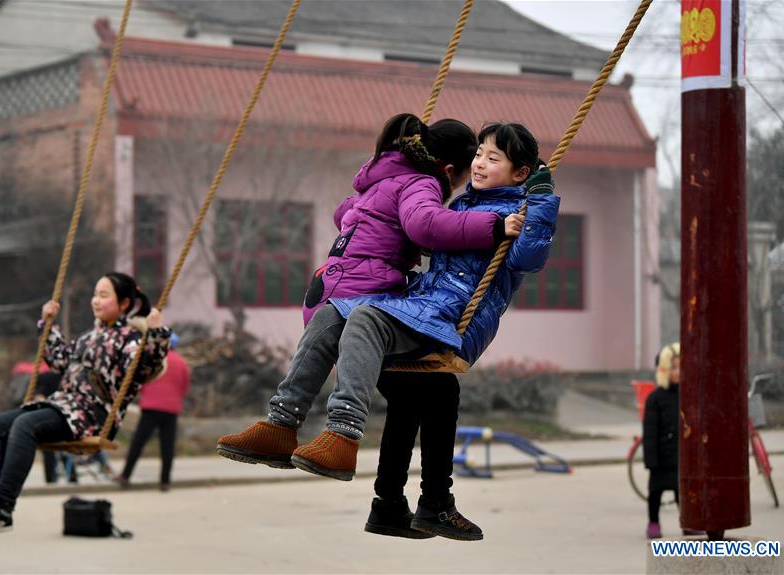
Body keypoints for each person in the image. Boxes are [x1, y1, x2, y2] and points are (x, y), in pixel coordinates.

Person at [218, 122, 558, 541]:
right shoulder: (460, 202)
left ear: (520, 172)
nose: (480, 164)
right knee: (334, 316)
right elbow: (431, 232)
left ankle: (345, 433)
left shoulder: (521, 212)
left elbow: (529, 257)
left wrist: (540, 202)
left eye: (493, 158)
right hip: (423, 304)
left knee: (371, 323)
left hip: (451, 318)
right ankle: (282, 423)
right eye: (478, 155)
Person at [0, 272, 170, 538]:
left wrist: (156, 333)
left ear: (124, 303)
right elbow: (59, 361)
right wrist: (48, 325)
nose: (95, 300)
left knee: (25, 425)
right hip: (65, 406)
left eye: (104, 295)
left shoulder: (131, 341)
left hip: (92, 415)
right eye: (95, 294)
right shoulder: (88, 336)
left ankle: (1, 509)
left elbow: (145, 366)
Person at [117, 331, 191, 491]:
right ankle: (165, 482)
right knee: (167, 447)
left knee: (138, 443)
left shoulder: (152, 359)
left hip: (150, 407)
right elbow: (184, 386)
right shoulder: (182, 363)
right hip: (171, 409)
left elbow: (141, 381)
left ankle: (125, 476)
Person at [643, 342, 701, 539]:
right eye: (673, 367)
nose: (678, 372)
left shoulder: (688, 396)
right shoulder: (655, 398)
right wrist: (651, 460)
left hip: (680, 456)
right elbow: (649, 432)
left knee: (682, 493)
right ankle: (653, 522)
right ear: (665, 370)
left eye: (681, 367)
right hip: (660, 457)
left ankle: (687, 523)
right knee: (655, 492)